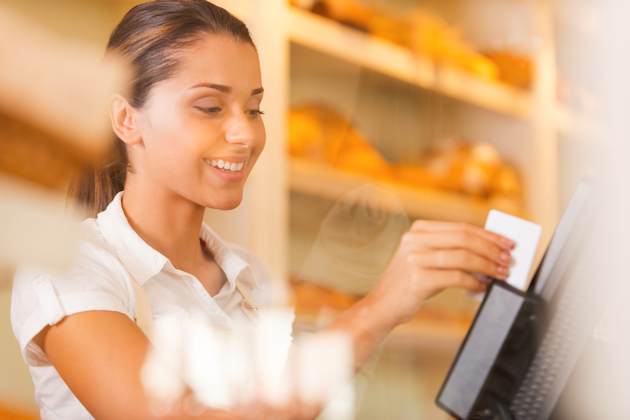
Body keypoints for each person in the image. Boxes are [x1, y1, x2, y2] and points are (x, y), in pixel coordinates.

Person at [10, 1, 514, 419]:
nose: (246, 134)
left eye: (254, 109)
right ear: (127, 119)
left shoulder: (247, 278)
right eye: (211, 107)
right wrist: (381, 306)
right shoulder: (70, 268)